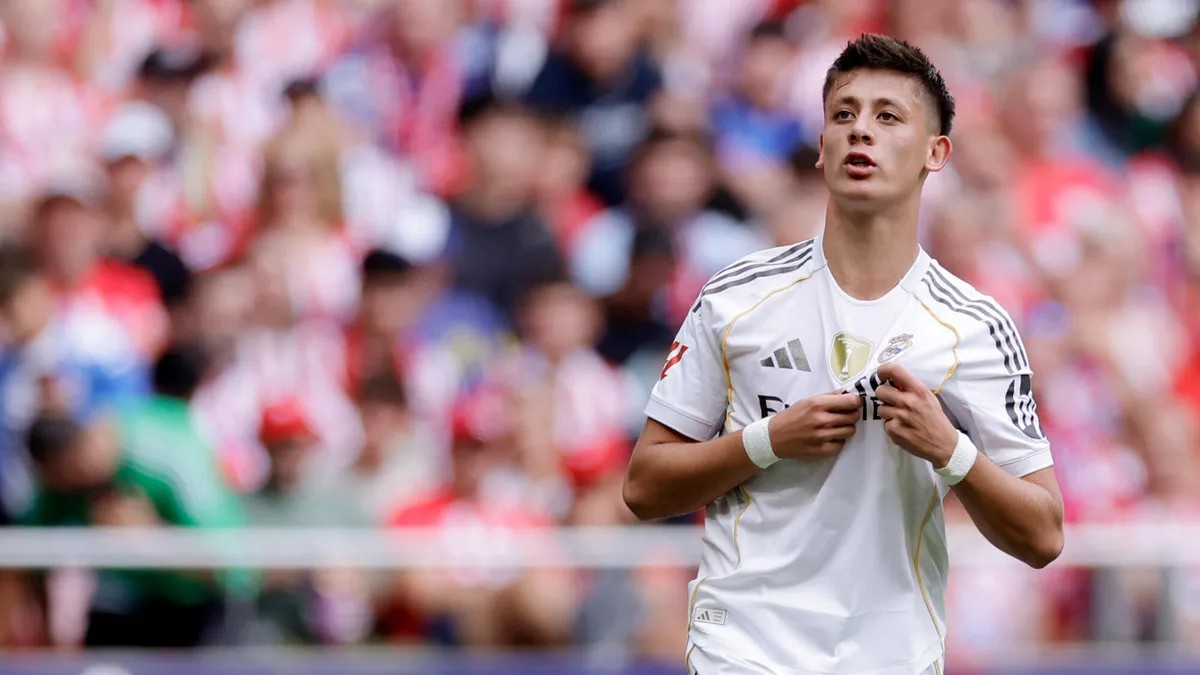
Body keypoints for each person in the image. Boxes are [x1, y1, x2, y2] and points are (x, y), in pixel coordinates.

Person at [622, 34, 1065, 675]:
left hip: (892, 654)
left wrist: (950, 450)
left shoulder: (973, 325)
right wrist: (769, 440)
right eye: (843, 114)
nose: (861, 130)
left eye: (888, 117)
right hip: (742, 648)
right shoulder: (736, 296)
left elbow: (1044, 534)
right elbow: (644, 487)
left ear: (936, 153)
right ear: (822, 145)